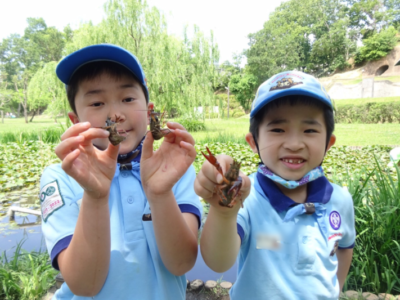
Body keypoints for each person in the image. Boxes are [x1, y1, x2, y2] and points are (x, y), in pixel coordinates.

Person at [40, 44, 202, 300]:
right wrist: (94, 196)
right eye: (96, 102)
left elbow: (181, 264)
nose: (115, 114)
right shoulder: (61, 177)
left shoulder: (174, 170)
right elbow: (85, 286)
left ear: (149, 113)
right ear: (75, 121)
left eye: (128, 99)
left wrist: (160, 194)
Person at [195, 71, 355, 300]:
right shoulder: (246, 198)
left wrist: (336, 290)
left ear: (329, 143)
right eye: (278, 129)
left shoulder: (340, 200)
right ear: (254, 141)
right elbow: (218, 262)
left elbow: (345, 247)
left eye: (310, 130)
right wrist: (223, 212)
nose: (294, 144)